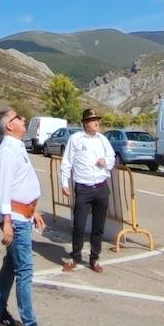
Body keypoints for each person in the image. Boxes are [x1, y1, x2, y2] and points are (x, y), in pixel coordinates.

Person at [0, 108, 53, 326]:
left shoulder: (16, 147)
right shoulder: (7, 151)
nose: (23, 120)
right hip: (14, 219)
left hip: (22, 215)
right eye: (18, 118)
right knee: (24, 269)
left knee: (10, 265)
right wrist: (6, 222)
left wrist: (32, 210)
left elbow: (20, 184)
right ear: (8, 125)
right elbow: (4, 189)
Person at [60, 108, 115, 273]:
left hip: (101, 187)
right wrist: (64, 183)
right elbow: (66, 162)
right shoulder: (76, 139)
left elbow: (112, 157)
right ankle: (75, 255)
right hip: (83, 188)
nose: (97, 123)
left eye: (97, 119)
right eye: (92, 120)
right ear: (85, 123)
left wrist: (104, 161)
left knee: (98, 226)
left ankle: (94, 258)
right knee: (79, 225)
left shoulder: (103, 139)